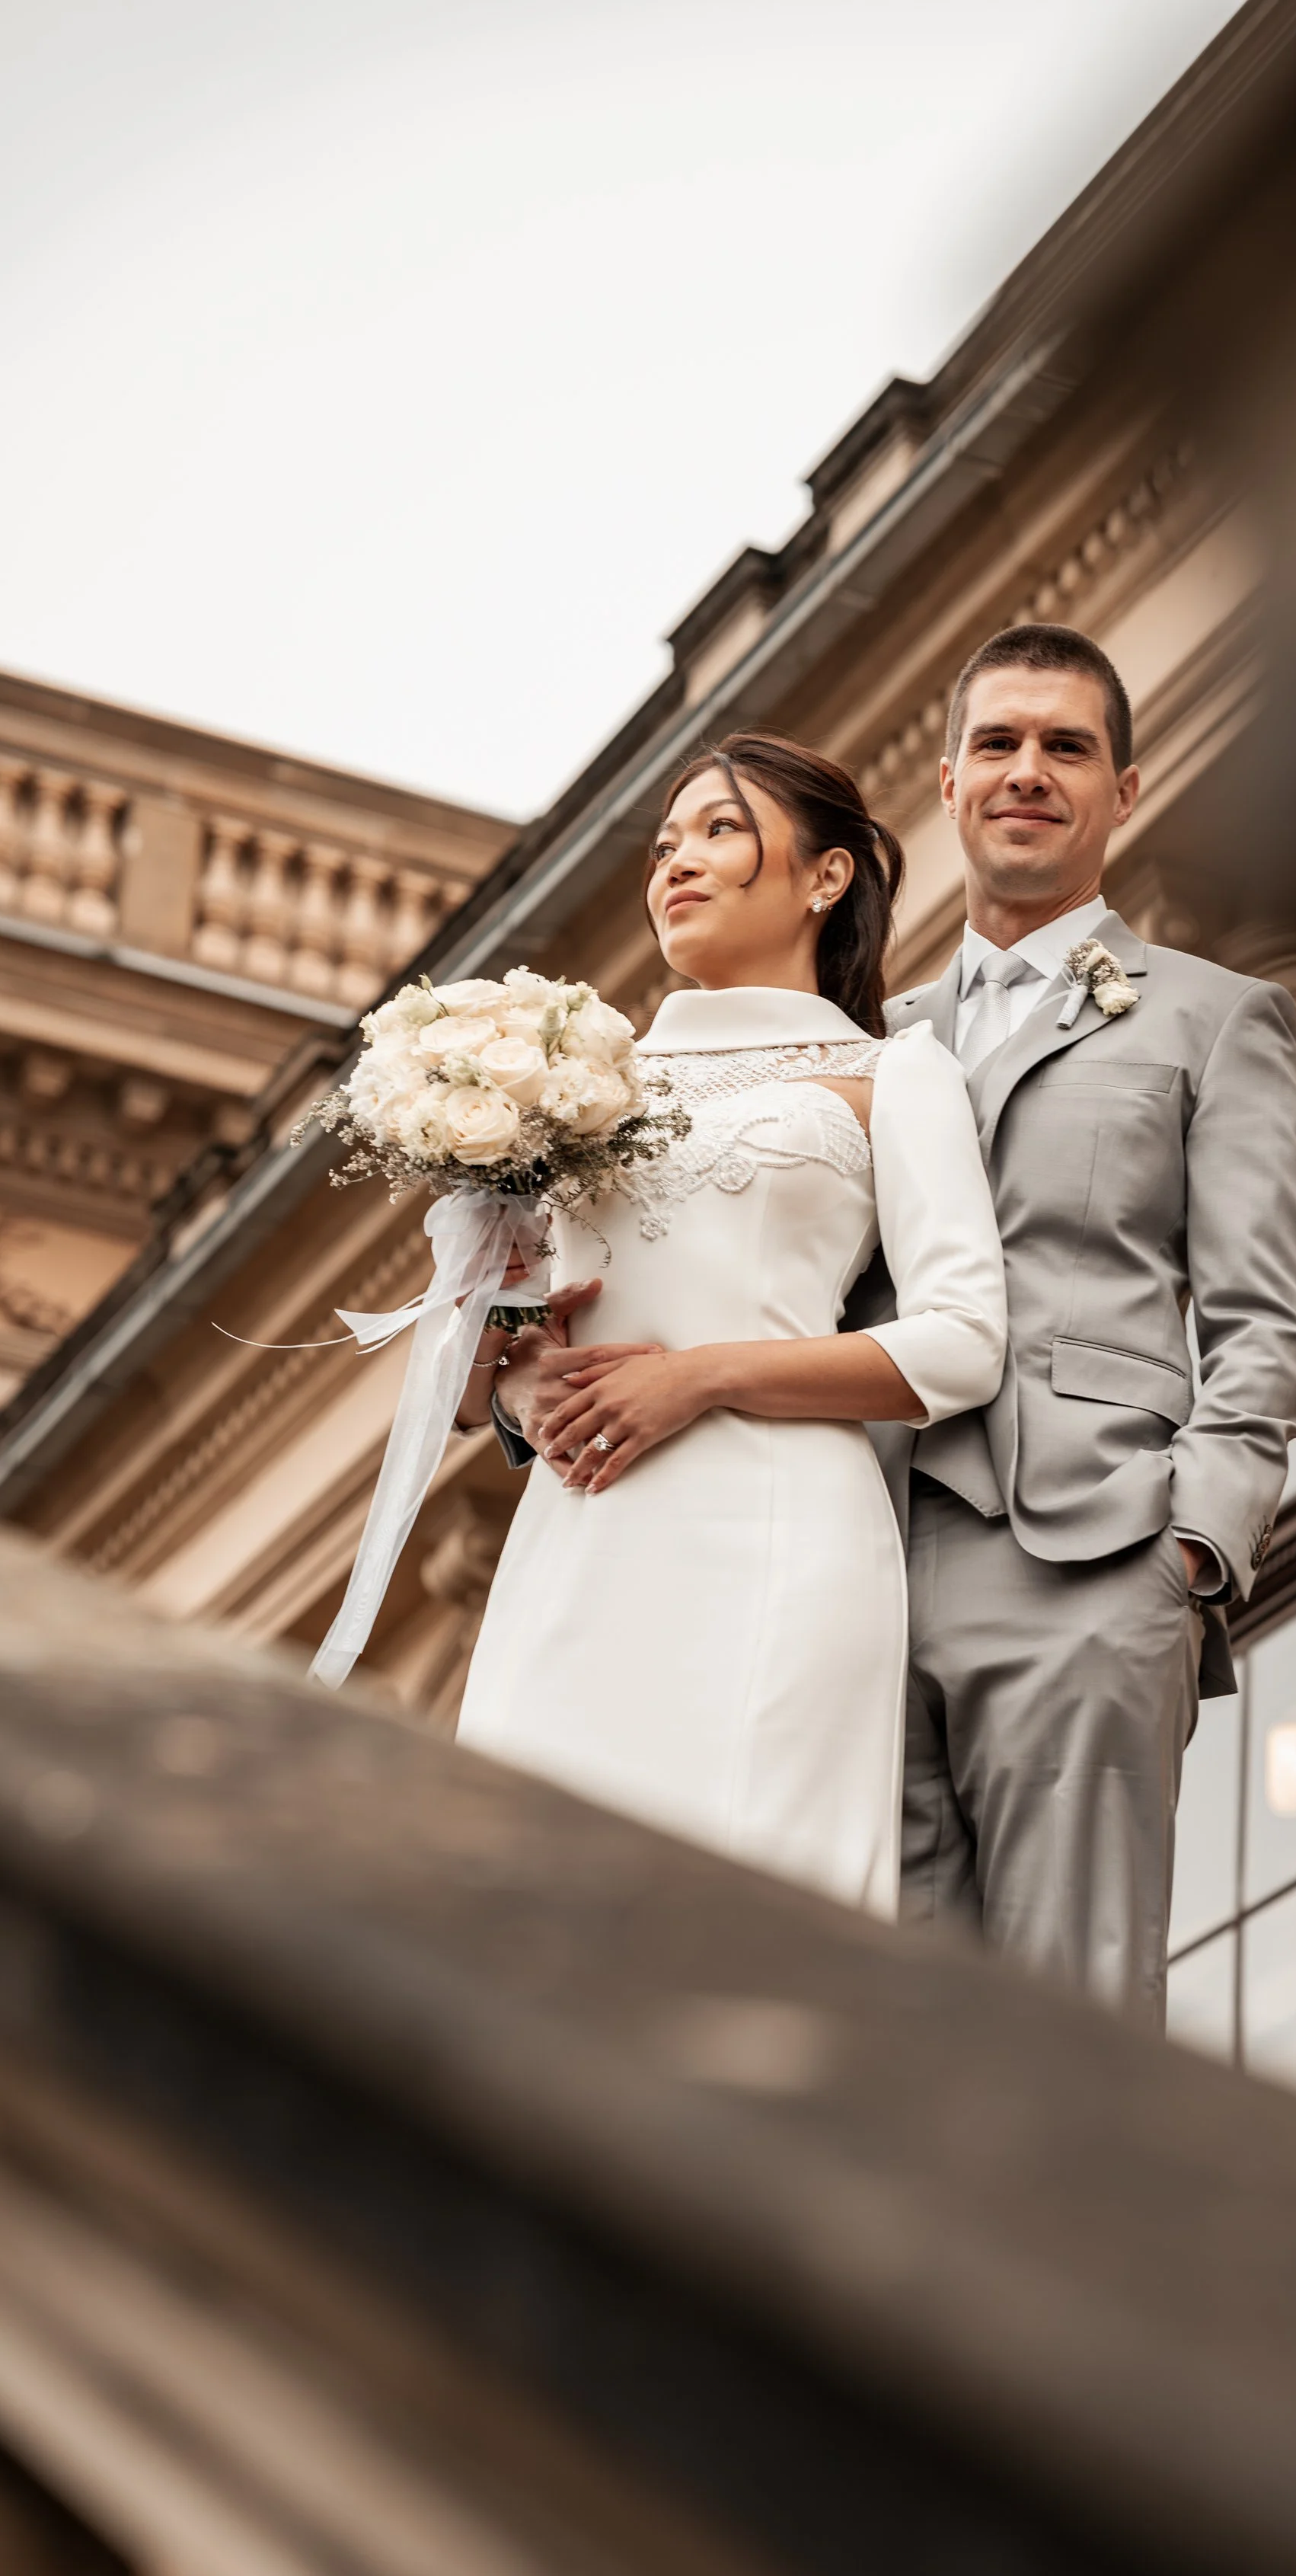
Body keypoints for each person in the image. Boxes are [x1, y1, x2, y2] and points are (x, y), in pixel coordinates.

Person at [453, 736, 1006, 1915]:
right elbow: (486, 1356)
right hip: (584, 1531)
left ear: (827, 876)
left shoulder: (897, 1075)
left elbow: (963, 1341)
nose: (677, 865)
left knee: (749, 1909)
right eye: (663, 846)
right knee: (533, 1898)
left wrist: (700, 1378)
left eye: (718, 830)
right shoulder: (569, 1085)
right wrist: (522, 1383)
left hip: (780, 1536)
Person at [862, 623, 1296, 2015]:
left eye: (1068, 746)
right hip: (862, 1566)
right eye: (998, 743)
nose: (1029, 771)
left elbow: (1270, 1322)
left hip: (1092, 1561)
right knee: (879, 2031)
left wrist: (1189, 1552)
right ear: (946, 784)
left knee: (1066, 2023)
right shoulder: (865, 1046)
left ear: (1124, 791)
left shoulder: (1217, 1019)